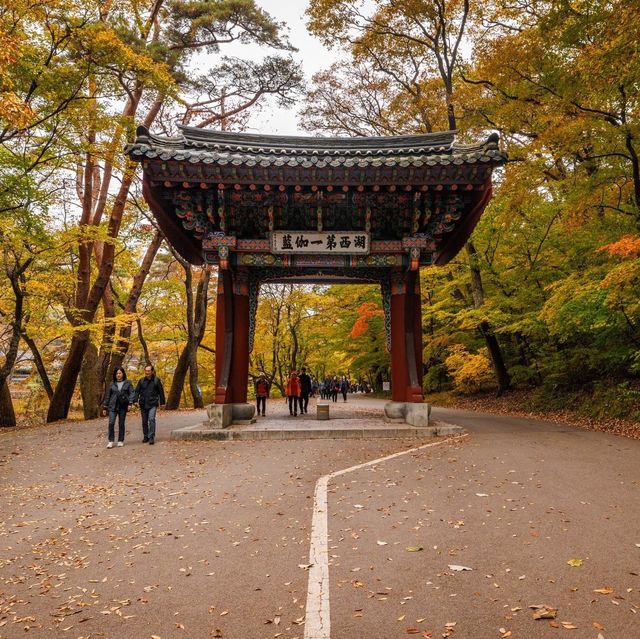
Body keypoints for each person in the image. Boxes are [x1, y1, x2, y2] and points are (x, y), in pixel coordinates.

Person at [102, 367, 135, 448]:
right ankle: (111, 441)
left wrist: (130, 403)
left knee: (121, 423)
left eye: (120, 373)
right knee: (111, 423)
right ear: (115, 375)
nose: (118, 375)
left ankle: (120, 440)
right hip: (112, 406)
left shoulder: (128, 383)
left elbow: (132, 393)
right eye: (117, 373)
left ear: (123, 374)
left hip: (123, 406)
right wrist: (104, 407)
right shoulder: (112, 384)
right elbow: (107, 396)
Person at [134, 364, 166, 445]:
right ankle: (146, 436)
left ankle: (151, 436)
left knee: (151, 419)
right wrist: (135, 400)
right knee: (144, 421)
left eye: (148, 371)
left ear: (152, 371)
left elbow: (161, 392)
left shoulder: (156, 380)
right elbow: (137, 391)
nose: (147, 372)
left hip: (153, 403)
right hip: (143, 403)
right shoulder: (141, 381)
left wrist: (162, 403)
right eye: (146, 371)